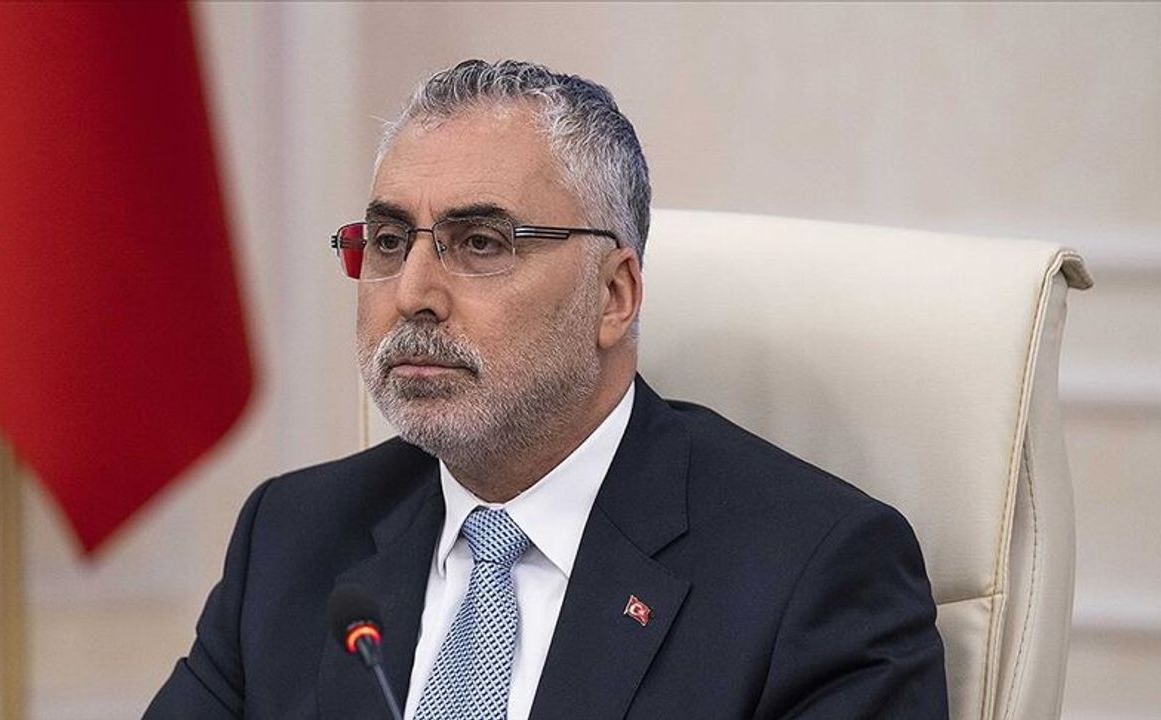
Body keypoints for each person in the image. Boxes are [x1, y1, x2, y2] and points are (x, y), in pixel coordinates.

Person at [146, 59, 947, 720]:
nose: (412, 292)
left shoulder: (814, 571)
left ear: (613, 296)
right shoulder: (292, 538)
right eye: (388, 241)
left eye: (480, 242)